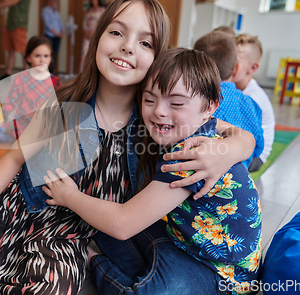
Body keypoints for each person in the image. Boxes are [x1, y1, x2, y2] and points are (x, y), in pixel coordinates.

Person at [0, 0, 255, 295]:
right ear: (97, 38)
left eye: (145, 42)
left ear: (156, 59)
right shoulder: (67, 102)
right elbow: (15, 157)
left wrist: (226, 152)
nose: (128, 47)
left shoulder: (161, 121)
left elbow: (241, 137)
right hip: (18, 211)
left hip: (71, 232)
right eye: (117, 32)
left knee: (50, 287)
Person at [43, 48, 262, 294]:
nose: (159, 111)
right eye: (149, 100)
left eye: (176, 103)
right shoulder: (196, 123)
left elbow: (123, 223)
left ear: (210, 107)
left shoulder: (190, 155)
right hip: (181, 239)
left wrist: (69, 197)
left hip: (221, 271)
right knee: (105, 224)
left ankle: (93, 260)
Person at [194, 31, 264, 169]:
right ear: (235, 68)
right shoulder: (251, 105)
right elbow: (258, 148)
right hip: (238, 179)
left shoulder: (195, 100)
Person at [0, 35, 62, 143]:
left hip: (45, 128)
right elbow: (10, 102)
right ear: (28, 57)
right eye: (37, 56)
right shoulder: (21, 78)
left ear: (51, 58)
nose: (42, 60)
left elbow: (61, 106)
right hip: (23, 126)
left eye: (46, 56)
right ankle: (5, 132)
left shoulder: (55, 81)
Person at [233, 34, 275, 172]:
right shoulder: (236, 88)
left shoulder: (252, 97)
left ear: (252, 68)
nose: (230, 63)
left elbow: (243, 138)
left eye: (235, 61)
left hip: (256, 156)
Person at [81, 0, 106, 69]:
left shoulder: (102, 11)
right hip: (87, 37)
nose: (93, 0)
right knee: (85, 55)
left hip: (97, 35)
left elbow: (103, 23)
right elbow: (84, 23)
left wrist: (93, 32)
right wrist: (86, 32)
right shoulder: (89, 11)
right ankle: (83, 75)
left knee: (95, 54)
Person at [42, 0, 64, 74]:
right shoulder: (45, 10)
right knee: (48, 54)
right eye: (50, 0)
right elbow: (48, 24)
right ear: (48, 1)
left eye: (53, 0)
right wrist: (57, 34)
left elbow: (60, 23)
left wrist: (62, 31)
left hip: (57, 37)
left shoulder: (57, 12)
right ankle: (45, 72)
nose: (52, 2)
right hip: (49, 36)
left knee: (55, 54)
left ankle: (51, 71)